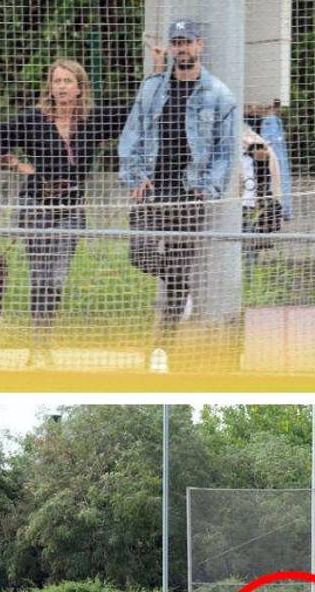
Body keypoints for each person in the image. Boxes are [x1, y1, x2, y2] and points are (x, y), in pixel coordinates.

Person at [0, 59, 127, 366]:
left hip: (71, 209)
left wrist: (157, 69)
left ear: (80, 88)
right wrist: (19, 165)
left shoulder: (94, 119)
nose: (61, 87)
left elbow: (137, 115)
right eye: (57, 81)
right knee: (40, 276)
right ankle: (36, 349)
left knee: (57, 278)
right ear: (50, 87)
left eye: (67, 81)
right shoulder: (34, 119)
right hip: (36, 206)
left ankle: (44, 343)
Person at [119, 17, 238, 373]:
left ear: (200, 45)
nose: (182, 48)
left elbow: (224, 151)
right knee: (139, 254)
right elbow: (132, 135)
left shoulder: (219, 94)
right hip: (152, 191)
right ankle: (178, 284)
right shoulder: (153, 88)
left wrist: (209, 187)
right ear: (170, 47)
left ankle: (162, 349)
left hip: (189, 194)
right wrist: (134, 176)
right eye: (177, 42)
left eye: (188, 42)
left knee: (178, 272)